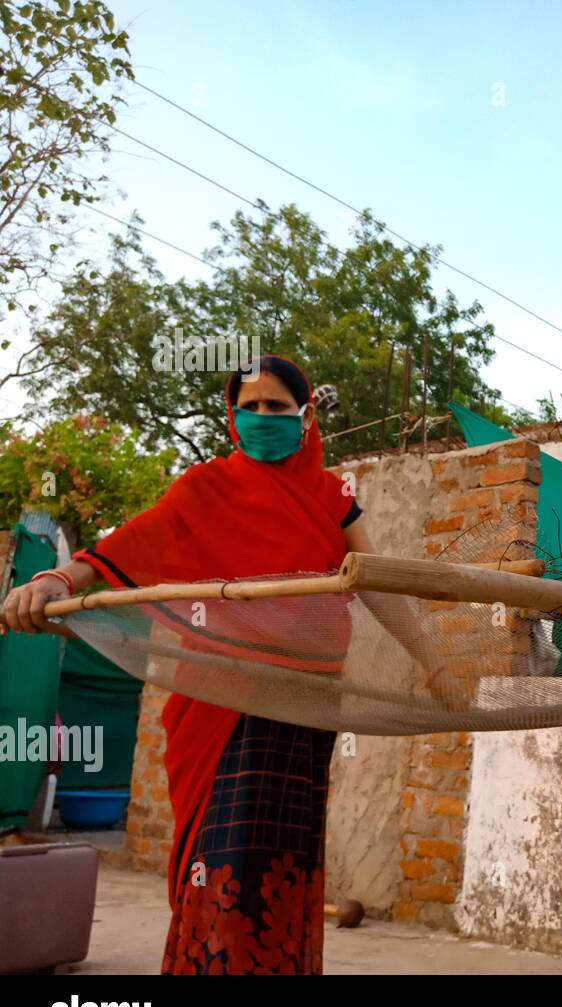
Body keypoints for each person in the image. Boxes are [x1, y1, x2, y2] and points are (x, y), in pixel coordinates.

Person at [2, 355, 421, 974]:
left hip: (304, 706)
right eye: (247, 407)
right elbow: (131, 542)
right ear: (232, 417)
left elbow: (379, 585)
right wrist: (58, 575)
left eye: (276, 406)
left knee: (286, 864)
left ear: (306, 418)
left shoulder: (332, 497)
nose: (259, 417)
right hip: (220, 706)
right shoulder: (205, 488)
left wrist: (434, 660)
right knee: (225, 861)